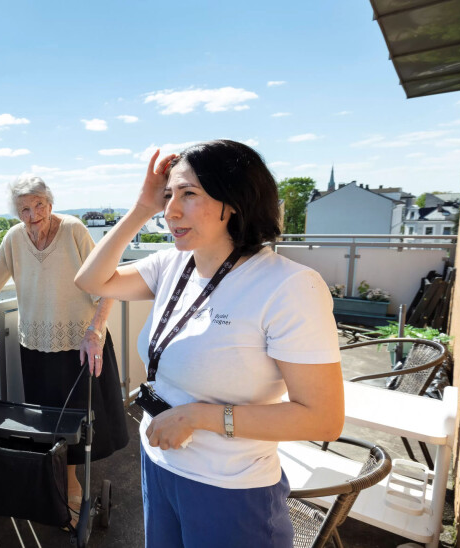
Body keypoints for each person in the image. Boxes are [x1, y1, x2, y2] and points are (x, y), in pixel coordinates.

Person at [74, 140, 344, 548]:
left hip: (230, 488)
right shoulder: (171, 264)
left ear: (233, 201)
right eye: (168, 195)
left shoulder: (288, 286)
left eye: (189, 194)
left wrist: (197, 417)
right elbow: (91, 280)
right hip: (159, 464)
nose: (170, 211)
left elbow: (323, 419)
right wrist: (142, 207)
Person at [0, 176, 129, 526]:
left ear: (50, 203)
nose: (33, 216)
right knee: (48, 425)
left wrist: (95, 330)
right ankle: (60, 488)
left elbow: (107, 283)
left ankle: (70, 490)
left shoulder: (74, 230)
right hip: (37, 348)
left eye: (39, 205)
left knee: (78, 424)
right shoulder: (14, 238)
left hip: (79, 343)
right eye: (24, 210)